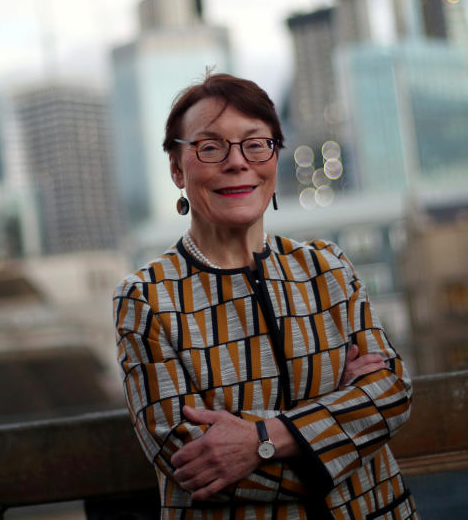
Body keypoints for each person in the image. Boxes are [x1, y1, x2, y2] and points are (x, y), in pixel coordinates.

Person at [114, 73, 418, 519]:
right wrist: (346, 431)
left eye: (255, 144)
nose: (237, 162)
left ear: (275, 156)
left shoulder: (326, 267)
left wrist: (262, 439)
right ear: (177, 169)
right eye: (210, 146)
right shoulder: (148, 299)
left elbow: (391, 391)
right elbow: (193, 463)